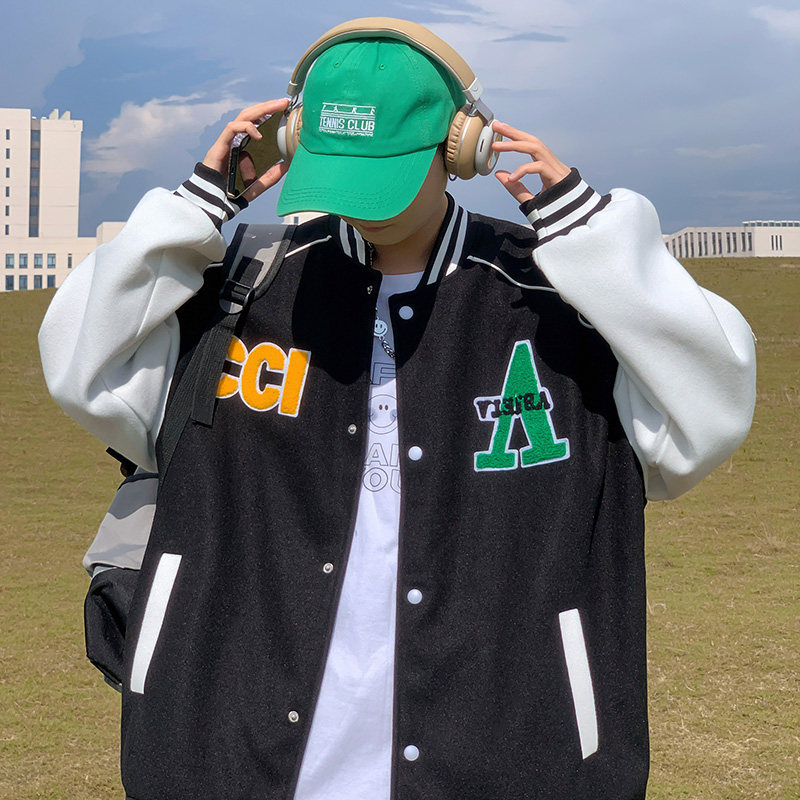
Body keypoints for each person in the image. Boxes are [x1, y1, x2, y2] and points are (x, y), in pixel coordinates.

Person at [38, 19, 756, 800]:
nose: (360, 204)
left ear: (461, 148)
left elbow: (708, 416)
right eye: (338, 170)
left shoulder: (556, 304)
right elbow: (80, 368)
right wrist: (194, 209)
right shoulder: (245, 290)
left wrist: (596, 238)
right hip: (235, 758)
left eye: (384, 171)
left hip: (509, 761)